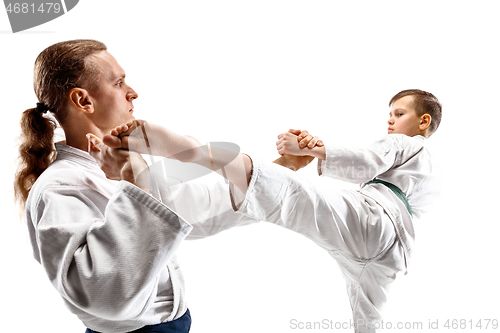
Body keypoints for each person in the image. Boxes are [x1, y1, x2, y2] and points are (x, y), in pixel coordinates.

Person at [96, 89, 441, 333]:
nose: (390, 122)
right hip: (390, 256)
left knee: (295, 198)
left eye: (399, 114)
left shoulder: (408, 143)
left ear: (423, 121)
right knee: (369, 324)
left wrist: (320, 150)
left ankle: (189, 149)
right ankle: (278, 167)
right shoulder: (428, 171)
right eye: (390, 115)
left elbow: (368, 160)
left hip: (373, 220)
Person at [14, 39, 260, 333]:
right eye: (118, 83)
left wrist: (276, 174)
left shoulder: (116, 165)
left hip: (174, 323)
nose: (133, 93)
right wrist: (132, 179)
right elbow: (104, 294)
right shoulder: (58, 188)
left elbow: (195, 210)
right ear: (83, 101)